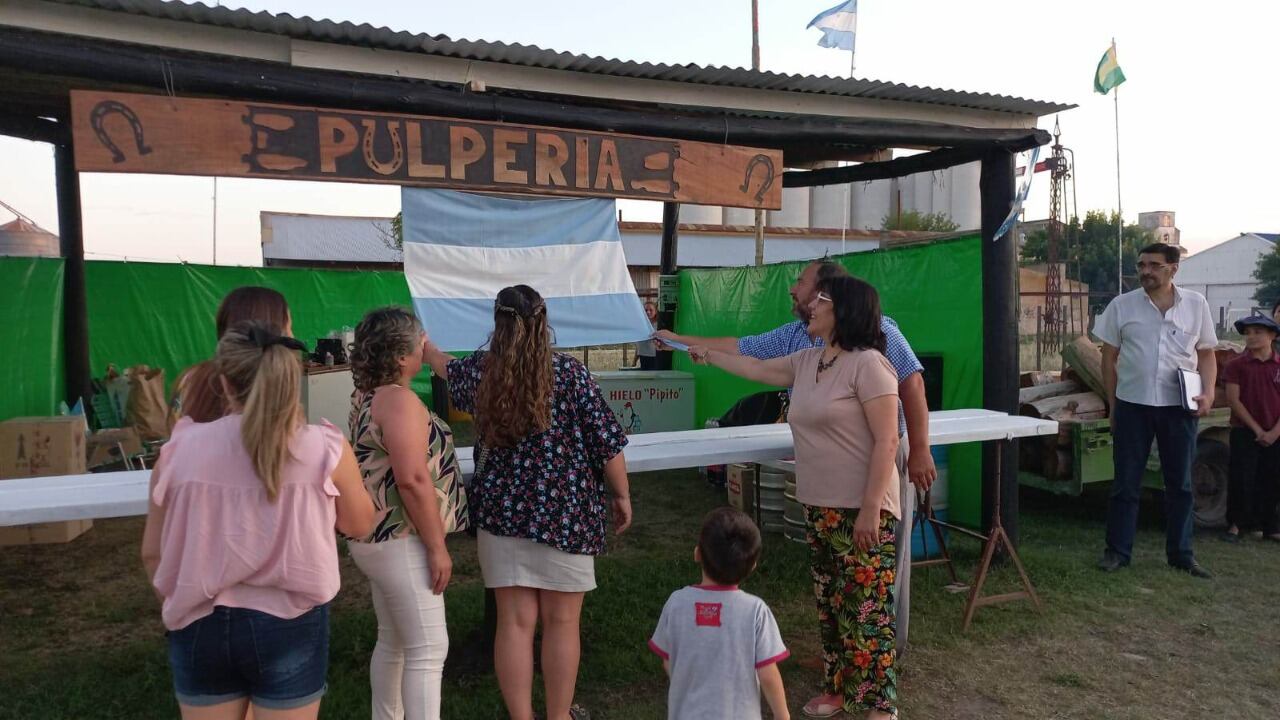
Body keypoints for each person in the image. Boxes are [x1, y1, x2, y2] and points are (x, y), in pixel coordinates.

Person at [658, 259, 933, 650]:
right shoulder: (805, 350)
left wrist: (916, 454)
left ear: (835, 302)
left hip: (864, 490)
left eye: (806, 286)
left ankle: (877, 690)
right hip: (822, 496)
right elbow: (749, 360)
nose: (795, 290)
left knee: (867, 598)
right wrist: (693, 347)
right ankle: (839, 681)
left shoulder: (875, 351)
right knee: (834, 595)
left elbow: (898, 417)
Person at [690, 275, 900, 720]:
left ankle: (880, 707)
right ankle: (839, 689)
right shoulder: (810, 360)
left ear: (842, 311)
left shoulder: (870, 366)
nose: (811, 307)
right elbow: (755, 368)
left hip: (863, 508)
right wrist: (708, 356)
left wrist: (869, 509)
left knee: (866, 609)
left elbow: (886, 442)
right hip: (819, 504)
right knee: (830, 604)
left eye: (820, 301)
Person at [141, 322, 375, 720]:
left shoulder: (179, 449)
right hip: (291, 624)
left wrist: (180, 603)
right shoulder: (325, 448)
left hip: (198, 622)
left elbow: (153, 553)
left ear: (225, 383)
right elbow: (360, 524)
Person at [422, 284, 632, 720]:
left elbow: (444, 368)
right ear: (543, 323)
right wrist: (622, 495)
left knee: (514, 625)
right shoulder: (571, 374)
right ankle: (557, 716)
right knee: (562, 624)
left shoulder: (482, 373)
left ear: (496, 324)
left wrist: (426, 346)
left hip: (501, 516)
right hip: (567, 516)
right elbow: (608, 447)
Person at [346, 307, 470, 720]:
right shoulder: (399, 401)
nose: (426, 347)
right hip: (401, 539)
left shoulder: (368, 396)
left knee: (396, 641)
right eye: (421, 342)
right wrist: (438, 548)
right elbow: (413, 479)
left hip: (377, 539)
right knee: (428, 649)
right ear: (402, 356)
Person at [1095, 243, 1218, 578]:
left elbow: (1206, 354)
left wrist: (1207, 393)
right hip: (1133, 405)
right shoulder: (1123, 305)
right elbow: (1109, 356)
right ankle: (1117, 552)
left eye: (1154, 265)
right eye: (1141, 265)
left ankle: (1181, 554)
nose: (1145, 271)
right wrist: (1113, 403)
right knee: (1125, 483)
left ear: (1173, 269)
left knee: (1180, 484)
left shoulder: (1196, 305)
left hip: (1179, 408)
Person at [648, 507, 790, 720]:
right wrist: (783, 716)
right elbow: (768, 674)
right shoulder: (755, 611)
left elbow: (668, 661)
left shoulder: (677, 603)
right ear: (752, 566)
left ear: (697, 553)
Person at [174, 286, 292, 423]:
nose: (292, 336)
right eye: (289, 328)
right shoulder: (279, 387)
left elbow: (174, 430)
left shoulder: (190, 379)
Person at [1221, 314, 1280, 543]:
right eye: (1248, 333)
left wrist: (1274, 432)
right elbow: (1234, 400)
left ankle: (1270, 525)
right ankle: (1237, 524)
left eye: (1258, 332)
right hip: (1245, 430)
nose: (1251, 337)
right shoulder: (1236, 365)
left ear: (1272, 336)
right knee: (1242, 477)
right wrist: (1257, 430)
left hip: (1275, 432)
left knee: (1272, 478)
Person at [635, 300, 659, 370]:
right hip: (643, 357)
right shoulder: (640, 325)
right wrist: (635, 360)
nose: (648, 312)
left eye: (651, 310)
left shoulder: (659, 326)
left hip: (655, 358)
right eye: (646, 310)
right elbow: (639, 346)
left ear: (655, 311)